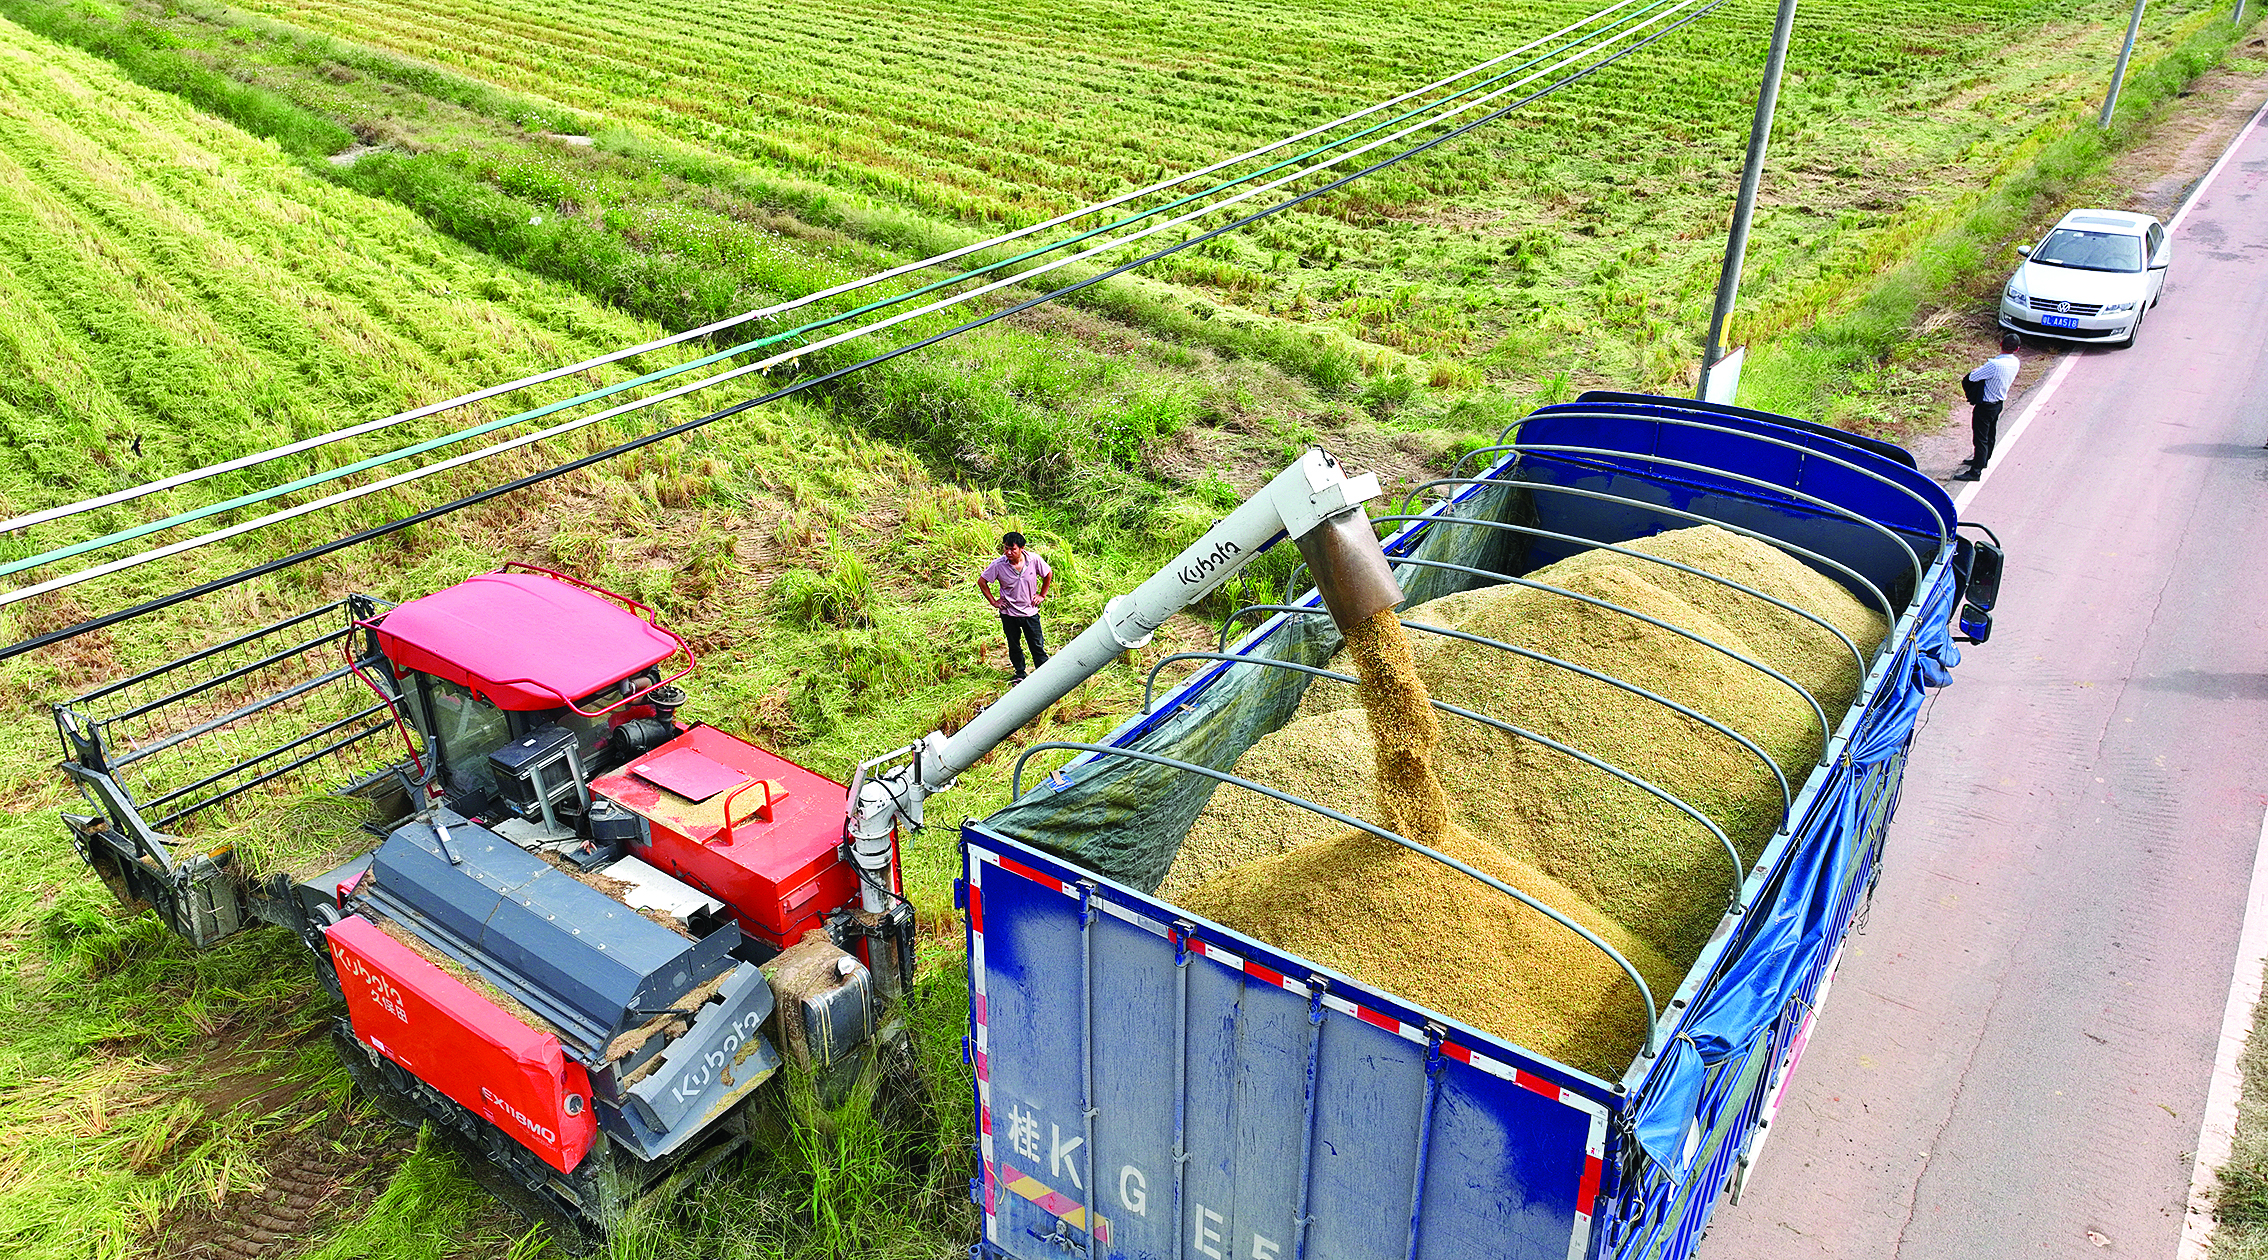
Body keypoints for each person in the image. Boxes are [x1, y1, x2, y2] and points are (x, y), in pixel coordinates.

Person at [977, 532, 1053, 682]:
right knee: (1014, 645)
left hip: (1030, 612)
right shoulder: (998, 565)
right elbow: (982, 582)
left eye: (1012, 549)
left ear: (1022, 548)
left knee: (1037, 644)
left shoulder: (1034, 560)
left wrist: (1042, 595)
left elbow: (1048, 574)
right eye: (1006, 548)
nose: (1008, 552)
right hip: (1009, 614)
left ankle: (1044, 674)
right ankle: (1020, 673)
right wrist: (994, 602)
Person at [1955, 333, 2022, 481]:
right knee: (1990, 434)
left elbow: (1972, 377)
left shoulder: (1994, 365)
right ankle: (1983, 460)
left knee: (1980, 438)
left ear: (2000, 344)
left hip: (1985, 406)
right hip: (1998, 404)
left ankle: (1975, 471)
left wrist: (1975, 370)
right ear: (2017, 349)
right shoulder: (2015, 362)